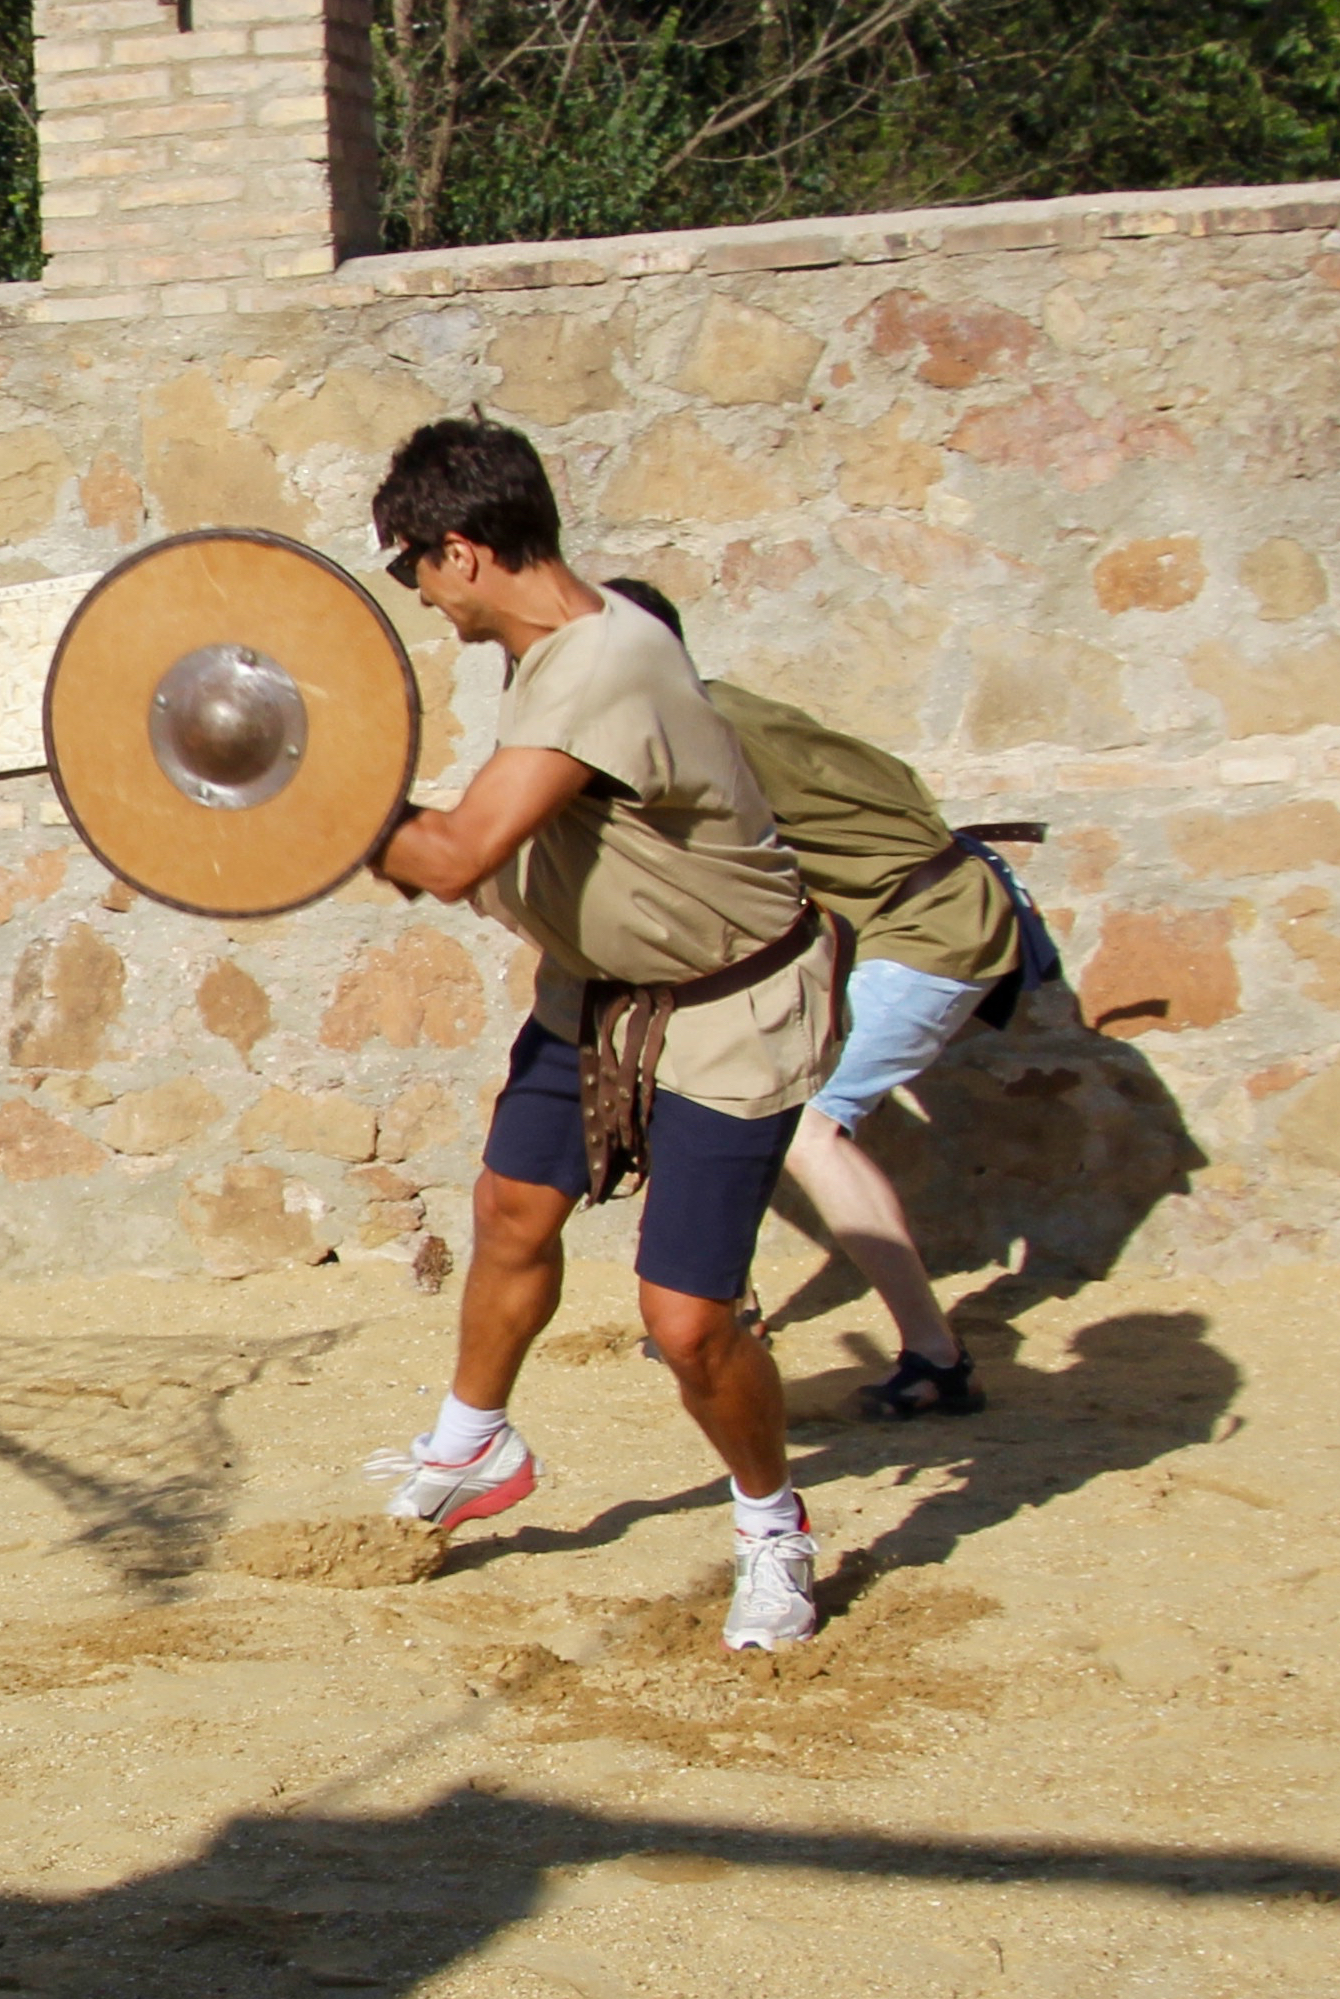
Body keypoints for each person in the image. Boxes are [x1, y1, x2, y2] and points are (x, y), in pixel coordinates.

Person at [354, 420, 843, 1650]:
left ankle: (773, 1528)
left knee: (687, 1322)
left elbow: (461, 853)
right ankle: (476, 1446)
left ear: (461, 553)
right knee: (513, 1207)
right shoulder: (561, 643)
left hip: (728, 1013)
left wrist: (299, 799)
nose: (417, 595)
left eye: (413, 566)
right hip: (598, 998)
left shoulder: (604, 661)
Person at [603, 578, 1045, 1421]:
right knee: (743, 1087)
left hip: (934, 925)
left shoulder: (695, 735)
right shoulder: (716, 706)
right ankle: (726, 1304)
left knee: (811, 1127)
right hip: (918, 912)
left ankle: (936, 1358)